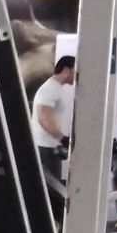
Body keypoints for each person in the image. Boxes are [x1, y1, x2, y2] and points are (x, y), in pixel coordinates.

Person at [33, 55, 75, 222]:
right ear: (66, 70)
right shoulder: (50, 88)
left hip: (51, 149)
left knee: (54, 195)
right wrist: (63, 139)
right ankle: (49, 230)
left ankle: (54, 228)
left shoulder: (56, 89)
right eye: (75, 71)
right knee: (50, 197)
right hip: (46, 150)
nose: (76, 75)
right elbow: (43, 118)